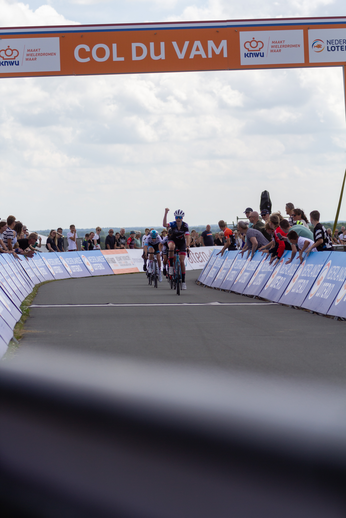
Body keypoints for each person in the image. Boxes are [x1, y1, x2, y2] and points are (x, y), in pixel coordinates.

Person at [163, 208, 190, 290]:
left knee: (181, 262)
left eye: (180, 217)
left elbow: (188, 237)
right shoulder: (173, 224)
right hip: (173, 240)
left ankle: (183, 282)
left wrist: (188, 246)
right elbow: (164, 225)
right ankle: (171, 267)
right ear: (175, 218)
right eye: (177, 217)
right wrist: (166, 213)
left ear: (182, 218)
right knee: (171, 247)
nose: (178, 219)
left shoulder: (185, 225)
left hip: (181, 243)